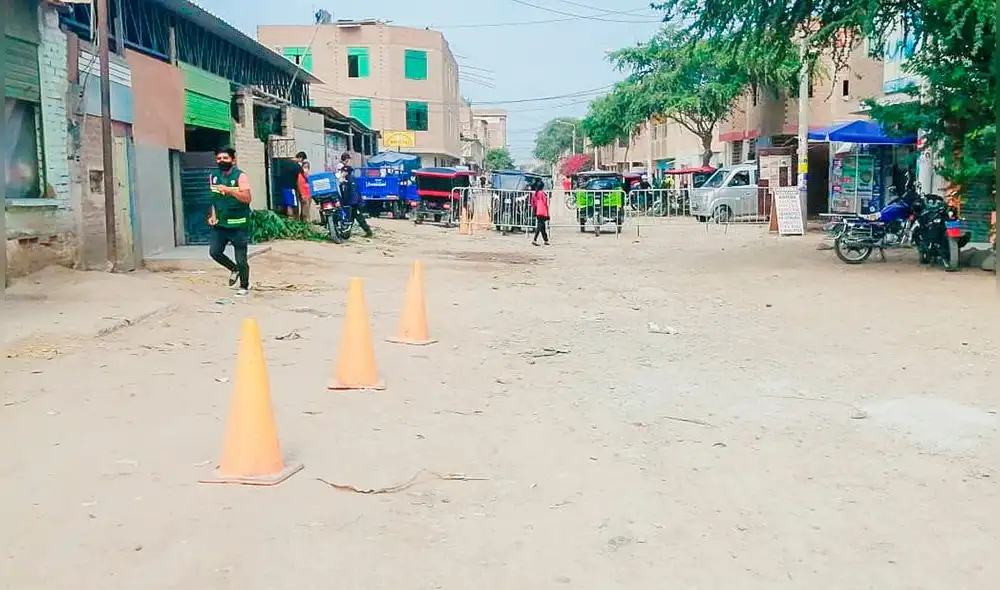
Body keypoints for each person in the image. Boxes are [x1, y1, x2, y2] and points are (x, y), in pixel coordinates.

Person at [208, 146, 252, 296]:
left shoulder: (241, 176)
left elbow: (247, 198)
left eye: (225, 158)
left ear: (233, 160)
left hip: (238, 224)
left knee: (241, 258)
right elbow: (214, 199)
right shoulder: (213, 176)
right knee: (214, 252)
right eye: (219, 158)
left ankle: (244, 286)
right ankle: (234, 269)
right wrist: (213, 215)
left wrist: (230, 190)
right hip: (220, 224)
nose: (222, 161)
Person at [339, 159, 375, 238]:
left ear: (346, 172)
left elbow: (354, 192)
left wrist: (353, 203)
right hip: (350, 203)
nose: (342, 173)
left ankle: (368, 231)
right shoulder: (345, 180)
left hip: (354, 203)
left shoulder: (351, 179)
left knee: (358, 217)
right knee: (351, 218)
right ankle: (347, 234)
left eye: (343, 172)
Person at [530, 179, 550, 246]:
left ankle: (546, 240)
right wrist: (548, 214)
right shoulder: (542, 194)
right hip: (542, 211)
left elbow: (532, 203)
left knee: (542, 226)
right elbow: (545, 203)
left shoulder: (534, 194)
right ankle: (534, 239)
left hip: (537, 211)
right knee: (540, 226)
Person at [294, 151, 312, 222]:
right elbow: (299, 185)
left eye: (307, 167)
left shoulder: (307, 176)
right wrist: (302, 194)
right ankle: (305, 222)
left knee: (306, 210)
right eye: (304, 167)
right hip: (303, 194)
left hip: (308, 194)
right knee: (305, 210)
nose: (306, 169)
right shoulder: (300, 175)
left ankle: (305, 222)